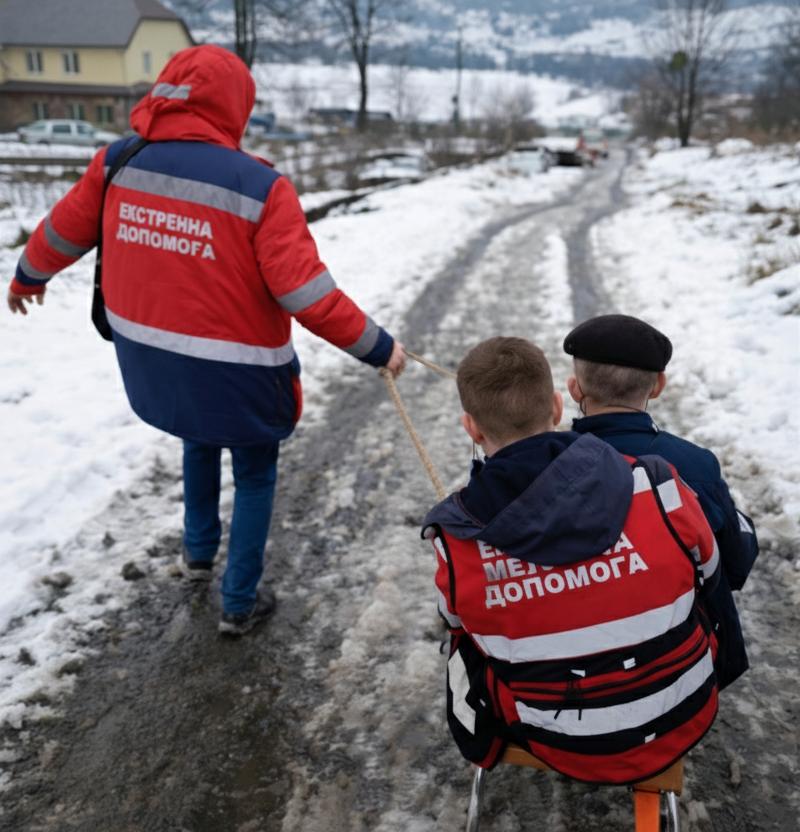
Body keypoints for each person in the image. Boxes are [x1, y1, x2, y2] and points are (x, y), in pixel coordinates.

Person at [7, 45, 405, 636]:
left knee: (196, 437)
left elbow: (63, 228)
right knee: (254, 473)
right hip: (240, 370)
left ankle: (198, 556)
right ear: (234, 108)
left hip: (152, 357)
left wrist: (28, 275)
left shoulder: (118, 161)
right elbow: (307, 294)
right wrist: (378, 347)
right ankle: (239, 601)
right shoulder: (261, 186)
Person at [423, 337, 720, 784]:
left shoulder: (456, 538)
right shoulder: (656, 483)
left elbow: (458, 621)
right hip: (686, 711)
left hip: (559, 741)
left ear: (472, 427)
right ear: (558, 408)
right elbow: (710, 574)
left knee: (463, 644)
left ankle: (483, 743)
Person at [563, 314, 758, 689]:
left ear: (575, 389)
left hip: (575, 667)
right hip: (680, 659)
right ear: (658, 386)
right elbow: (735, 564)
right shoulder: (694, 465)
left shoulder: (549, 466)